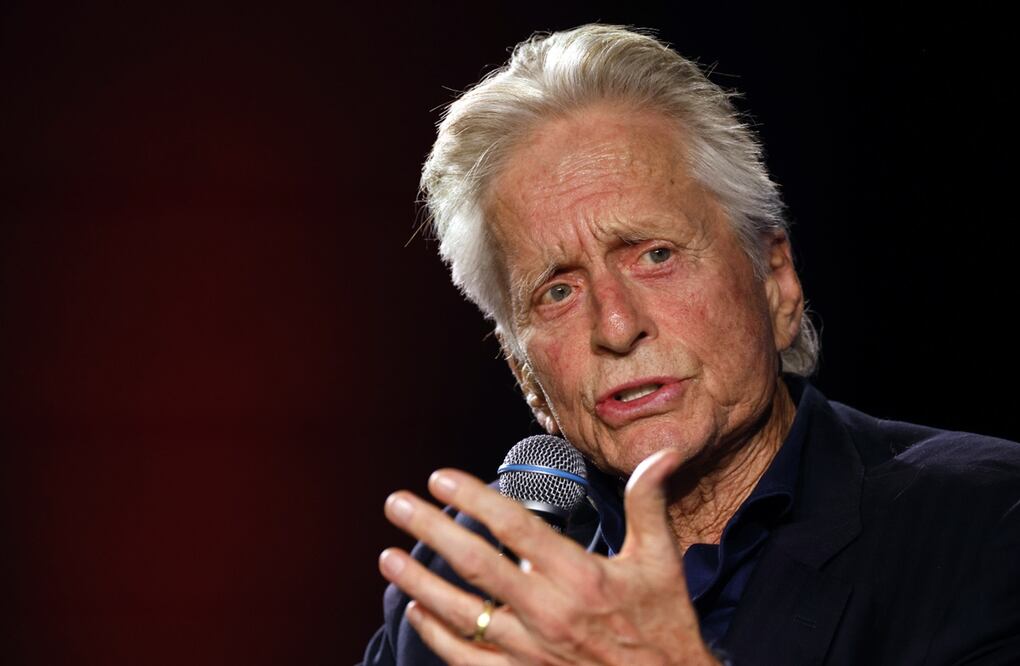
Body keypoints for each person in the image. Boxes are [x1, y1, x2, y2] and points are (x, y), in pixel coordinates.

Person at [360, 24, 1020, 665]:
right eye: (557, 292)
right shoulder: (458, 588)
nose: (616, 327)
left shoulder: (987, 525)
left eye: (655, 254)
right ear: (525, 373)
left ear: (777, 284)